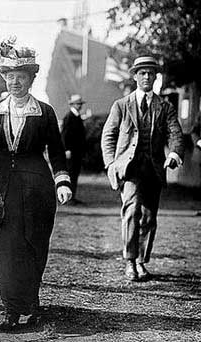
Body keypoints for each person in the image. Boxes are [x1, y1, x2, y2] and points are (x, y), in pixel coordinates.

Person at [0, 37, 72, 331]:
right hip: (3, 189)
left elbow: (56, 151)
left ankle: (31, 303)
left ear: (31, 79)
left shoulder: (44, 112)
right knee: (7, 248)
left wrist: (62, 182)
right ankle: (10, 310)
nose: (14, 83)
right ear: (5, 79)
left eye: (21, 77)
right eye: (10, 77)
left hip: (37, 189)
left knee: (34, 246)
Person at [101, 56, 184, 281]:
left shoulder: (165, 106)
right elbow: (108, 134)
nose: (146, 76)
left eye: (150, 73)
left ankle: (141, 262)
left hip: (154, 169)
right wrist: (110, 163)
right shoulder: (121, 105)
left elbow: (175, 132)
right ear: (135, 76)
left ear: (156, 77)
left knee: (149, 217)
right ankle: (129, 261)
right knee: (131, 211)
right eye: (142, 73)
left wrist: (174, 153)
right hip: (130, 170)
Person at [60, 94, 87, 204]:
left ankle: (72, 197)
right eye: (78, 104)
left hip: (76, 151)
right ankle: (68, 198)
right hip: (71, 152)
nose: (79, 106)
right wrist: (66, 149)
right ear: (72, 104)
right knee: (71, 174)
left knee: (74, 174)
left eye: (80, 104)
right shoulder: (69, 117)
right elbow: (65, 135)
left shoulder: (76, 116)